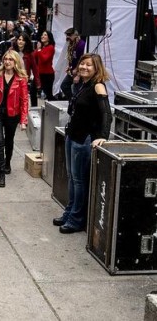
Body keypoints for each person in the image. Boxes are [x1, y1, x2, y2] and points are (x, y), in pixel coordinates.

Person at [53, 54, 111, 234]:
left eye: (89, 65)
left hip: (84, 139)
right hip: (73, 135)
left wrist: (102, 136)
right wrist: (72, 74)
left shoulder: (98, 86)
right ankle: (70, 212)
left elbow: (106, 114)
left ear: (97, 68)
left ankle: (77, 219)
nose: (84, 67)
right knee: (72, 178)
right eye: (82, 64)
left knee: (79, 181)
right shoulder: (82, 85)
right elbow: (66, 90)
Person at [0, 50, 29, 188]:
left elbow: (24, 100)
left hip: (12, 114)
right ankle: (1, 173)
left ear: (16, 61)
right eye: (5, 59)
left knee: (9, 140)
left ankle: (8, 162)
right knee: (0, 141)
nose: (7, 61)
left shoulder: (21, 78)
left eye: (11, 59)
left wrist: (23, 120)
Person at [13, 33, 41, 107]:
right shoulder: (12, 51)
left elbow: (35, 69)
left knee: (22, 99)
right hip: (12, 77)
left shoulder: (30, 54)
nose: (21, 41)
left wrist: (38, 83)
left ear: (26, 42)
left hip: (23, 78)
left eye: (23, 40)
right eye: (19, 39)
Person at [59, 28, 86, 100]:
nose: (68, 37)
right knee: (64, 86)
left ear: (75, 35)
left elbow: (82, 60)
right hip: (72, 71)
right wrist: (69, 66)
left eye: (69, 35)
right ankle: (72, 101)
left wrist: (78, 75)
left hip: (79, 72)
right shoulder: (72, 45)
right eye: (67, 35)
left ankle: (75, 103)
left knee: (77, 90)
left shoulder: (81, 45)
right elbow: (72, 57)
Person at [34, 31, 57, 101]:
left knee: (49, 94)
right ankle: (34, 106)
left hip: (47, 74)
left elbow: (44, 59)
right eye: (42, 35)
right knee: (33, 90)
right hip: (40, 73)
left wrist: (39, 50)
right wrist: (38, 49)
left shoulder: (50, 48)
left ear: (49, 38)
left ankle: (53, 106)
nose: (42, 36)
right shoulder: (42, 47)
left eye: (45, 35)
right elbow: (34, 56)